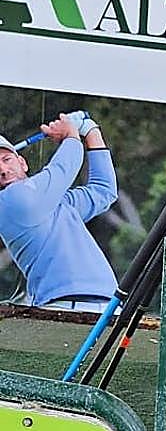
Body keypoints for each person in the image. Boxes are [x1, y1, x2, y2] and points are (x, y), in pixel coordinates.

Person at [0, 112, 117, 307]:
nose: (2, 170)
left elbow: (103, 191)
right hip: (62, 307)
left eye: (6, 159)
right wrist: (71, 134)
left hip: (108, 306)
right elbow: (64, 167)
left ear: (22, 162)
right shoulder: (11, 202)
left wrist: (90, 131)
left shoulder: (57, 204)